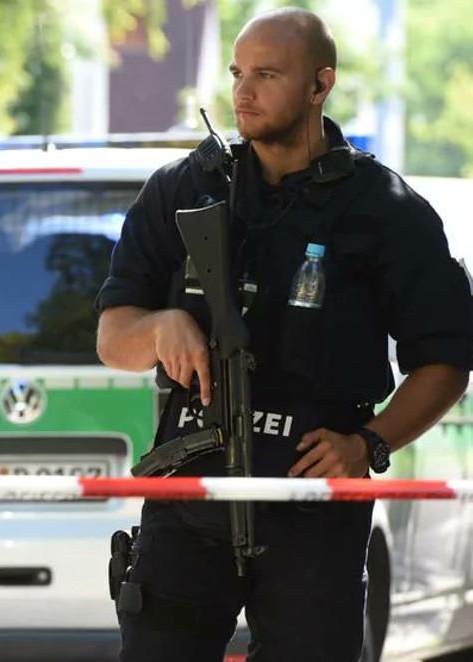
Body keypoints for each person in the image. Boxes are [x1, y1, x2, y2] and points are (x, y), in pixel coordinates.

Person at [96, 7, 473, 662]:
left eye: (267, 74)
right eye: (239, 73)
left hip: (314, 503)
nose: (243, 91)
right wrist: (161, 326)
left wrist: (371, 442)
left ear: (320, 84)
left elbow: (446, 358)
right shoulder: (183, 189)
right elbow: (113, 336)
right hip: (190, 495)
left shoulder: (385, 210)